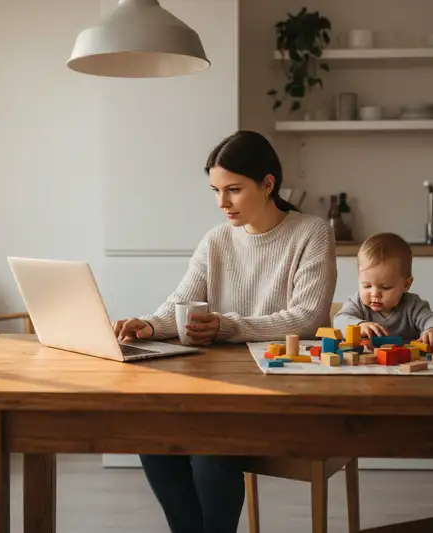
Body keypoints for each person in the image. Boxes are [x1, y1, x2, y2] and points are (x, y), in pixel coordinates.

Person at [110, 130, 337, 533]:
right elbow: (179, 304)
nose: (222, 203)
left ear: (268, 184)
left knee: (210, 448)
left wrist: (227, 326)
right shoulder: (216, 240)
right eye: (215, 190)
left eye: (233, 189)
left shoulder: (312, 233)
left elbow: (307, 320)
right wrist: (147, 324)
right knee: (153, 439)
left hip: (282, 390)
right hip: (220, 390)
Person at [333, 232, 433, 349]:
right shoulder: (357, 303)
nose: (375, 294)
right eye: (367, 286)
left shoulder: (412, 305)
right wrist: (359, 326)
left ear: (406, 284)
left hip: (404, 361)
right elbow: (339, 320)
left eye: (385, 287)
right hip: (368, 362)